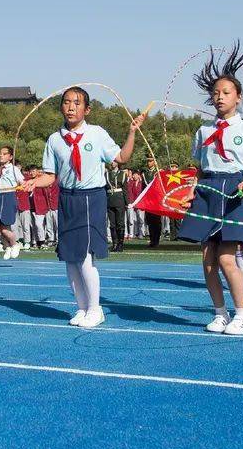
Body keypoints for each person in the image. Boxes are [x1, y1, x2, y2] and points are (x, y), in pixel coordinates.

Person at [21, 87, 145, 328]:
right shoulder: (55, 139)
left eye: (76, 103)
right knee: (69, 258)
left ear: (87, 109)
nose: (70, 107)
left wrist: (132, 133)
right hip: (67, 198)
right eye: (66, 102)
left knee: (85, 257)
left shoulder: (97, 134)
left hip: (92, 198)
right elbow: (50, 176)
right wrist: (34, 182)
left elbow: (121, 158)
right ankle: (81, 307)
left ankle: (95, 309)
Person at [176, 44, 243, 335]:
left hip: (235, 190)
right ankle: (219, 313)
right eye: (215, 93)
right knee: (207, 259)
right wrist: (192, 189)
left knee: (227, 257)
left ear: (238, 98)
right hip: (207, 190)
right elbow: (201, 167)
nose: (219, 97)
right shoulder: (203, 130)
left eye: (226, 93)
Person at [106, 161, 128, 252]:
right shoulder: (106, 174)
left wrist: (127, 202)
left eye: (114, 161)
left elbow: (125, 189)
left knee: (120, 223)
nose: (112, 163)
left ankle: (120, 244)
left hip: (119, 200)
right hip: (110, 200)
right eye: (111, 162)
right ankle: (114, 244)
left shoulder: (122, 174)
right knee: (112, 224)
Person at [142, 157, 163, 248]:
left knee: (157, 221)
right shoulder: (145, 174)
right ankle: (152, 240)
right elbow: (143, 188)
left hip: (156, 200)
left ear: (154, 162)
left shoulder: (158, 173)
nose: (149, 163)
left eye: (150, 161)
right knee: (150, 221)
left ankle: (157, 240)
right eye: (148, 161)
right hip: (148, 200)